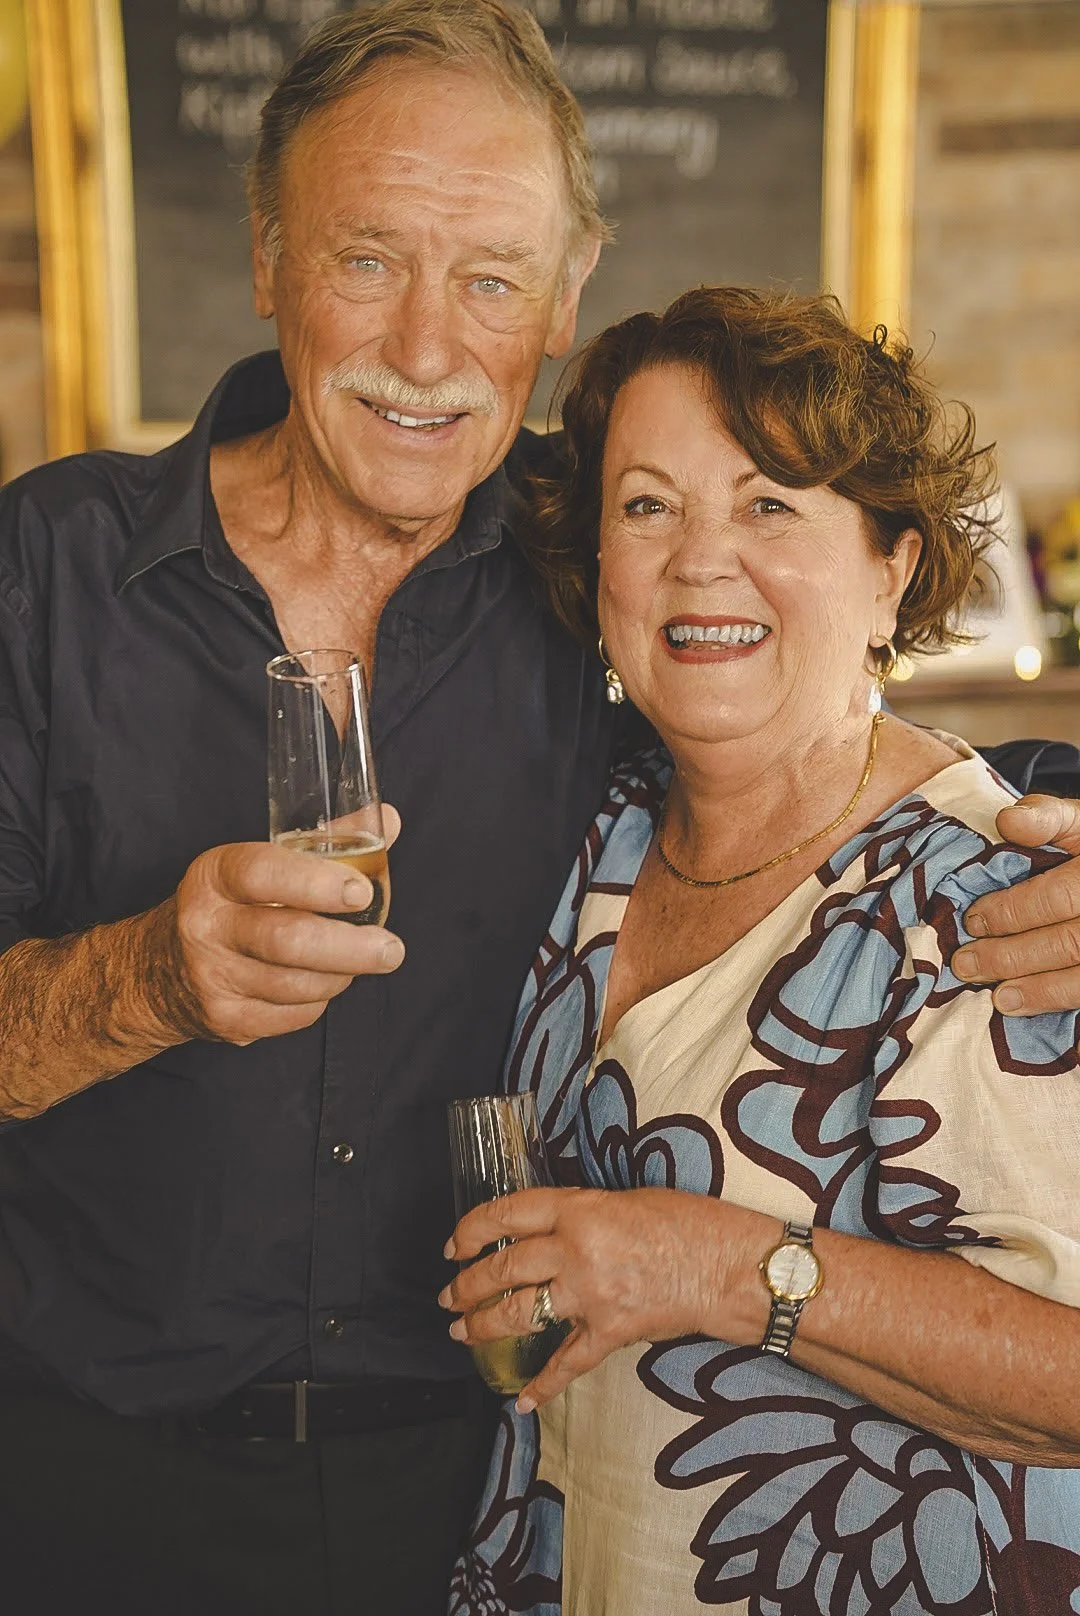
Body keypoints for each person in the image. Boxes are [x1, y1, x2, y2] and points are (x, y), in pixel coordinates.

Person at [0, 3, 1077, 1612]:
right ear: (270, 258)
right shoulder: (45, 572)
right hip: (83, 1476)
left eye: (492, 278)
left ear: (566, 294)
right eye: (368, 259)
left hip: (466, 1494)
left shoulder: (594, 587)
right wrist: (146, 981)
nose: (429, 349)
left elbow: (816, 729)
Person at [443, 289, 1080, 1616]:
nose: (698, 561)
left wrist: (719, 1264)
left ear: (892, 567)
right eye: (648, 506)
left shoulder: (994, 901)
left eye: (770, 505)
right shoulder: (591, 834)